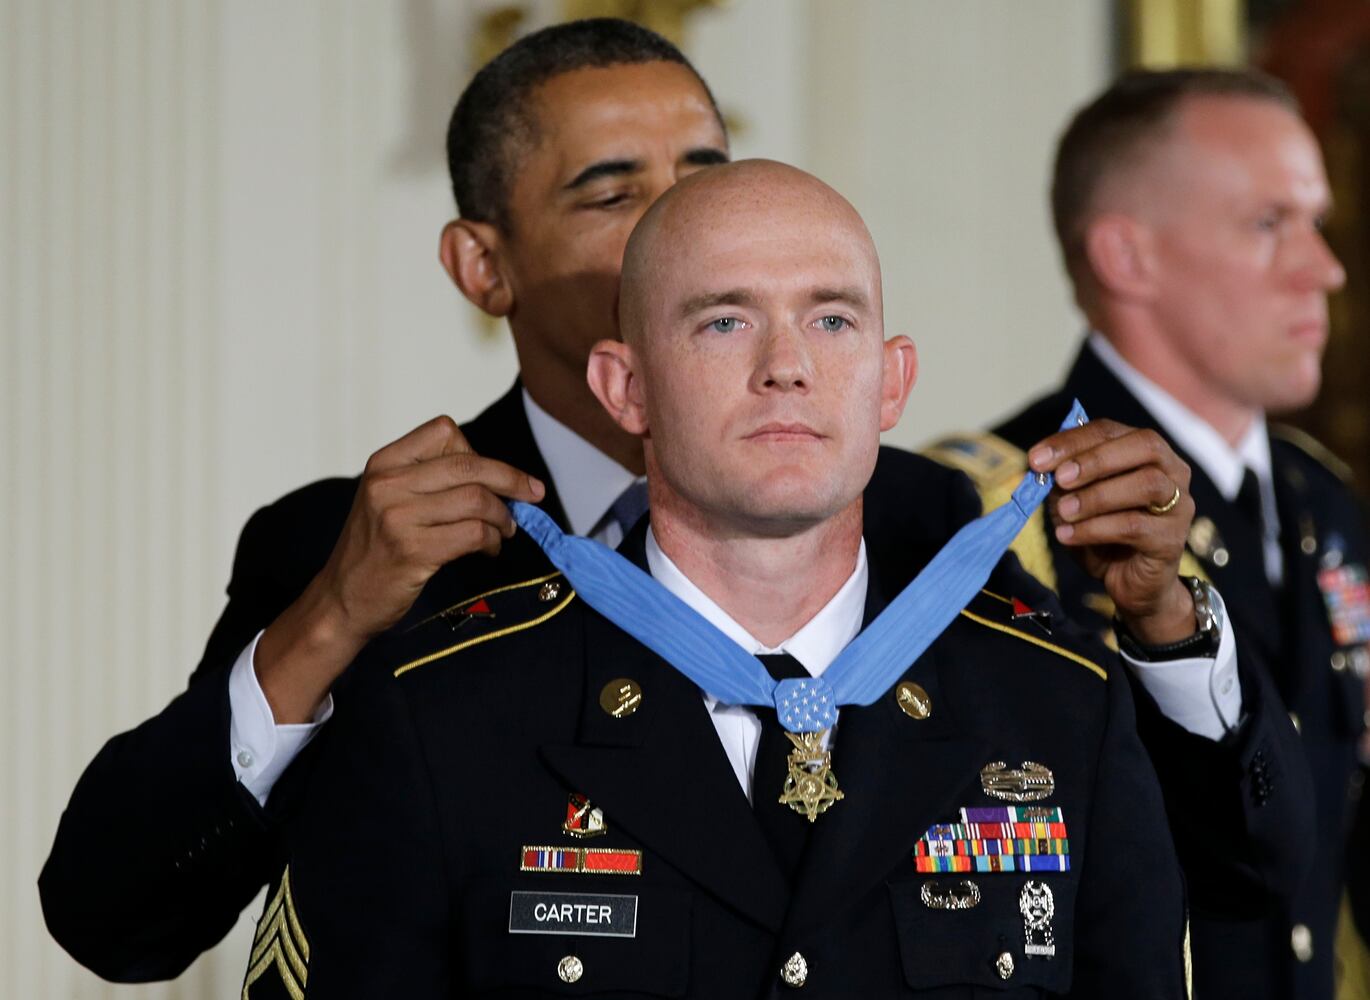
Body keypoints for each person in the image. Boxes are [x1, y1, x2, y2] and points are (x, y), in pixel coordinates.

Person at [244, 159, 1193, 999]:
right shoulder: (440, 714)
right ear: (628, 390)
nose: (786, 368)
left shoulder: (1058, 703)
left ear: (891, 383)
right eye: (724, 321)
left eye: (831, 318)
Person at [39, 18, 730, 981]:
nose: (683, 227)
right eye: (614, 193)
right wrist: (329, 618)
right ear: (484, 267)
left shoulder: (907, 519)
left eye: (706, 175)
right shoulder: (345, 545)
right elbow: (114, 913)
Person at [926, 68, 1363, 1000]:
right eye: (1267, 223)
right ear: (1129, 256)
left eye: (1315, 222)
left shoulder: (1323, 501)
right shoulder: (982, 507)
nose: (1323, 267)